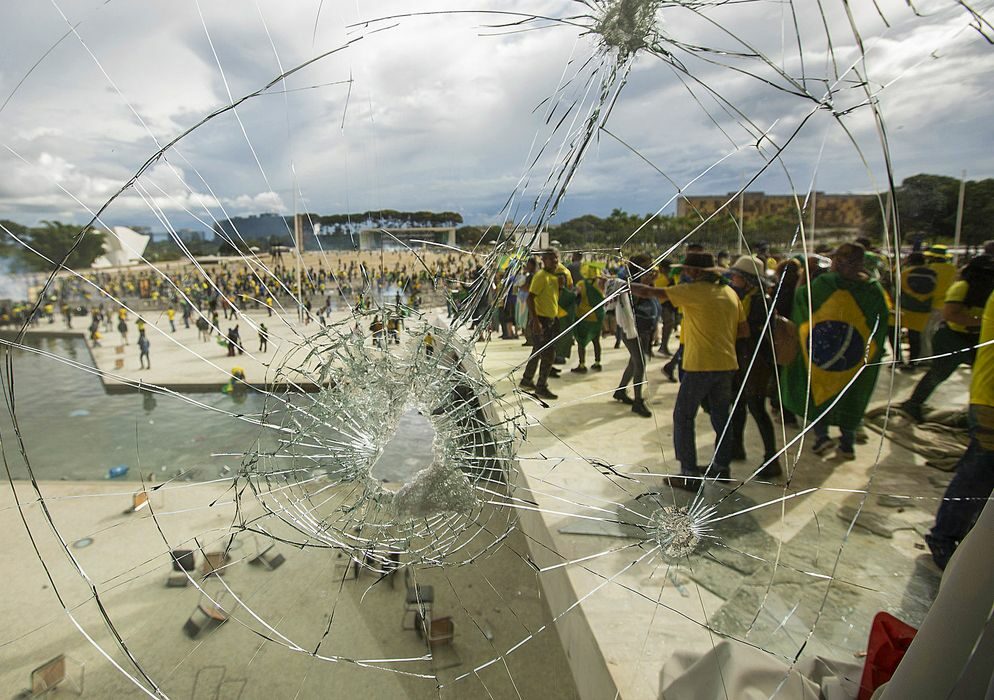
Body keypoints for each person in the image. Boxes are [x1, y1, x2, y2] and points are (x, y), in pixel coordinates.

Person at [633, 251, 746, 486]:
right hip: (726, 364)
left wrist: (620, 285)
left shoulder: (693, 291)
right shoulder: (730, 293)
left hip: (699, 365)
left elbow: (649, 292)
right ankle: (721, 468)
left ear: (695, 272)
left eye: (686, 269)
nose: (684, 273)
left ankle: (689, 474)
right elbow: (743, 331)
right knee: (722, 417)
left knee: (683, 417)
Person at [781, 243, 889, 460]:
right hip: (853, 357)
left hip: (823, 353)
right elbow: (881, 323)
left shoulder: (824, 284)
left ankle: (822, 438)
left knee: (819, 391)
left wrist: (807, 275)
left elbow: (801, 299)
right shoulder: (873, 289)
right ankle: (847, 444)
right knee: (850, 394)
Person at [925, 289, 994, 569]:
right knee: (978, 473)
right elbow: (951, 311)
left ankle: (960, 535)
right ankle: (944, 537)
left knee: (979, 471)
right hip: (990, 400)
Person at [899, 255, 994, 422]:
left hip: (976, 338)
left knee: (983, 378)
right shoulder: (963, 287)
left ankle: (977, 414)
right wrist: (984, 322)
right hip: (952, 338)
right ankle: (913, 404)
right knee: (939, 373)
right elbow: (950, 314)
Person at [726, 256, 782, 478]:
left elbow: (750, 333)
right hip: (744, 360)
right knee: (738, 405)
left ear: (748, 279)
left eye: (737, 275)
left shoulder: (760, 301)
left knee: (757, 409)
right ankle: (737, 447)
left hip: (756, 362)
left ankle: (772, 458)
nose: (733, 278)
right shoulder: (748, 297)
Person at [614, 254, 658, 417]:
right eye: (648, 265)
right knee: (640, 363)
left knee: (634, 362)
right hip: (631, 328)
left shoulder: (645, 280)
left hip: (645, 326)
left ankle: (620, 391)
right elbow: (630, 303)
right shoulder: (628, 281)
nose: (651, 268)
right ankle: (638, 401)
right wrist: (644, 285)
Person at [520, 248, 562, 400]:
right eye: (553, 259)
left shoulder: (554, 277)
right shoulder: (541, 276)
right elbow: (530, 298)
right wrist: (536, 322)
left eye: (557, 259)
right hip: (541, 320)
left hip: (550, 320)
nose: (556, 262)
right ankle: (541, 387)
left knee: (537, 351)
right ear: (545, 260)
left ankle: (527, 379)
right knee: (548, 355)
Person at [898, 252, 937, 368]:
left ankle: (898, 359)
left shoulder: (905, 273)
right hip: (923, 310)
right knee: (915, 336)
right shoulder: (933, 273)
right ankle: (913, 362)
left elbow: (897, 288)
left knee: (893, 333)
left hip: (905, 309)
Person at [572, 264, 605, 374]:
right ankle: (597, 363)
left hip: (584, 315)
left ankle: (582, 365)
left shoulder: (581, 284)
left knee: (581, 341)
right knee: (596, 341)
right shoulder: (600, 284)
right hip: (598, 316)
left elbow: (575, 296)